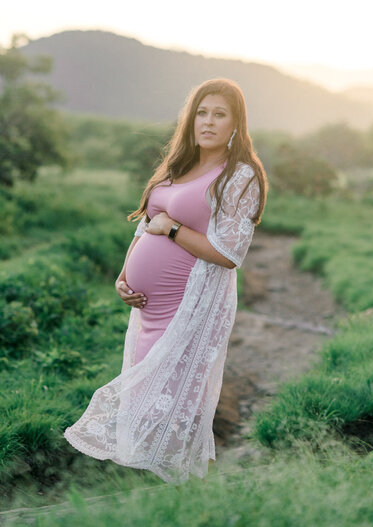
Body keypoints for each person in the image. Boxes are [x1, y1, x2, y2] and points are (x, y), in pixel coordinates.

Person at [64, 77, 268, 485]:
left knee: (174, 394)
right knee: (145, 388)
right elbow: (145, 225)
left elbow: (228, 253)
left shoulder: (239, 175)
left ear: (235, 124)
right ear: (190, 119)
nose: (208, 122)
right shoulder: (179, 165)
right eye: (201, 113)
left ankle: (180, 485)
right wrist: (124, 275)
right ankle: (148, 481)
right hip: (148, 310)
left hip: (188, 307)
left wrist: (172, 228)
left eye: (219, 115)